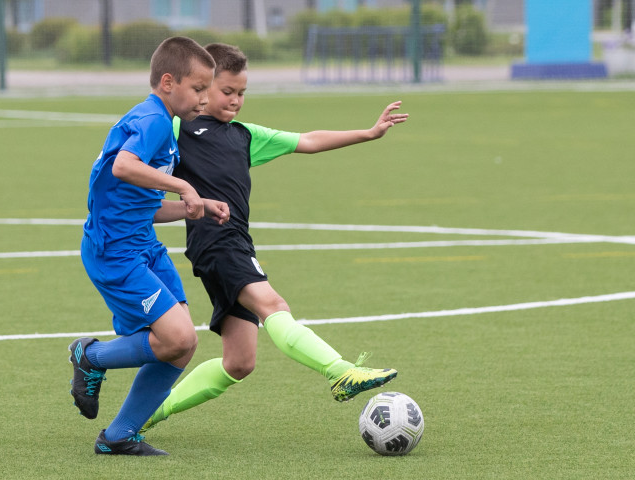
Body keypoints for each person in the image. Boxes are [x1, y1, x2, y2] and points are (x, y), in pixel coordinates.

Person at [141, 43, 409, 432]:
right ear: (202, 89)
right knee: (273, 303)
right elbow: (145, 154)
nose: (235, 101)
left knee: (239, 362)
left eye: (241, 93)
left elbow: (309, 141)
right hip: (216, 240)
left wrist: (368, 133)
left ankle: (148, 413)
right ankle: (340, 371)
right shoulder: (180, 128)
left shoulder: (246, 135)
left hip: (235, 242)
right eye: (225, 91)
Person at [68, 36, 229, 456]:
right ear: (168, 82)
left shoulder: (162, 123)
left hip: (143, 245)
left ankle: (120, 436)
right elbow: (123, 165)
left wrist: (194, 207)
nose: (204, 97)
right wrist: (184, 185)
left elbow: (143, 207)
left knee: (183, 343)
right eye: (198, 88)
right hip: (115, 252)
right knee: (175, 339)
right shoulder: (154, 120)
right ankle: (91, 356)